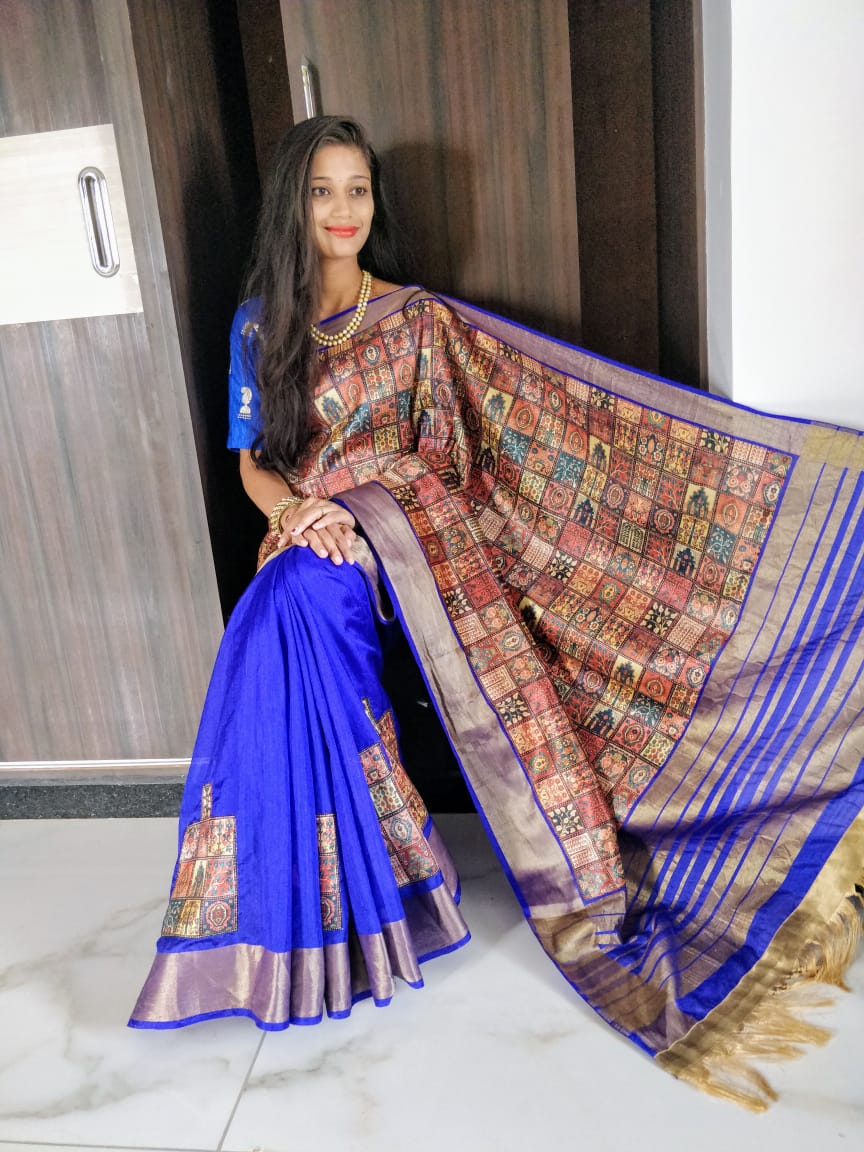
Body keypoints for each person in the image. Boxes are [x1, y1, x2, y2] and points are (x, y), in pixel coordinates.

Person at [130, 117, 864, 1110]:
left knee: (301, 602)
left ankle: (347, 902)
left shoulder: (417, 320)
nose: (344, 211)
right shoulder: (259, 324)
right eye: (323, 191)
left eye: (358, 190)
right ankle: (314, 910)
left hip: (404, 536)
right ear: (293, 206)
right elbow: (253, 462)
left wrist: (360, 507)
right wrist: (298, 513)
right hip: (307, 532)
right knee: (272, 620)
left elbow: (456, 452)